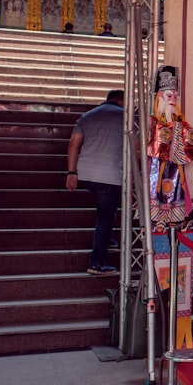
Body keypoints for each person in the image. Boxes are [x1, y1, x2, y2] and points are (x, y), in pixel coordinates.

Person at [66, 90, 124, 275]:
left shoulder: (87, 116)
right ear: (122, 101)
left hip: (86, 172)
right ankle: (97, 263)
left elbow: (73, 144)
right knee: (106, 217)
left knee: (106, 210)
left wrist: (71, 172)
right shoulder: (126, 117)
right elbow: (136, 147)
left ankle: (108, 239)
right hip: (110, 174)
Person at [148, 66, 193, 225]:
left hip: (175, 168)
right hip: (156, 168)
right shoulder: (152, 121)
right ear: (160, 97)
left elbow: (189, 144)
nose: (173, 100)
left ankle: (174, 223)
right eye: (169, 95)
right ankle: (157, 223)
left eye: (175, 96)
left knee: (176, 193)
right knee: (156, 193)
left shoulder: (181, 122)